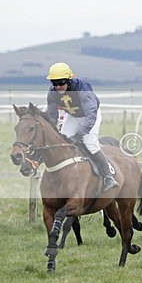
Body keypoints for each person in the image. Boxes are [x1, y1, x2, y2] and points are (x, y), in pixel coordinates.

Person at [45, 62, 119, 191]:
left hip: (90, 115)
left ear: (69, 79)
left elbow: (91, 113)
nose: (58, 86)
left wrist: (79, 134)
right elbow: (52, 116)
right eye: (54, 83)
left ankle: (108, 176)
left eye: (61, 82)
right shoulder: (52, 93)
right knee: (64, 141)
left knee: (90, 143)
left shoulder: (81, 87)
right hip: (72, 116)